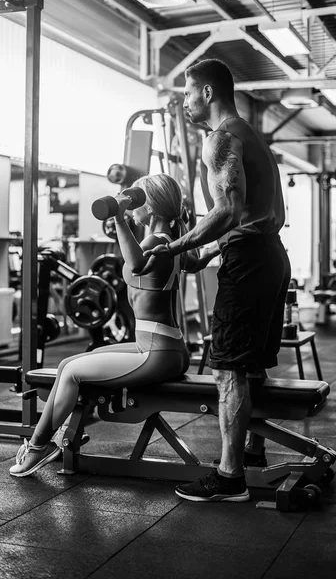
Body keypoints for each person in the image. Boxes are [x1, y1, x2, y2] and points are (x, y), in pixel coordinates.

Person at [143, 59, 291, 503]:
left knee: (227, 368)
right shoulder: (252, 137)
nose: (185, 104)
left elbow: (226, 210)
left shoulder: (220, 139)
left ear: (206, 92)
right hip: (268, 256)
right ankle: (252, 450)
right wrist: (207, 251)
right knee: (252, 364)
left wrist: (175, 246)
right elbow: (257, 217)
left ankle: (229, 478)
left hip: (249, 264)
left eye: (187, 94)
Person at [10, 173, 197, 477]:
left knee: (70, 372)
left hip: (156, 353)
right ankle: (49, 441)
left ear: (151, 207)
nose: (134, 205)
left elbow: (135, 264)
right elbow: (194, 260)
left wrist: (120, 216)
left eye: (139, 198)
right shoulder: (173, 242)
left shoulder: (156, 241)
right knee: (69, 363)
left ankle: (37, 446)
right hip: (164, 346)